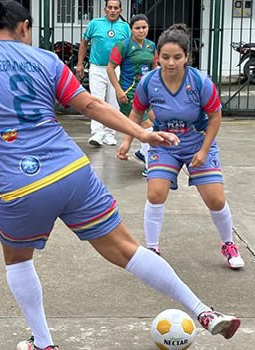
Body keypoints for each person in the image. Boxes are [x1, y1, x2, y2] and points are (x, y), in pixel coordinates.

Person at [0, 2, 241, 349]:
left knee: (17, 259)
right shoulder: (46, 59)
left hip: (22, 183)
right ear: (24, 27)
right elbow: (90, 104)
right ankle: (203, 310)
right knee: (128, 249)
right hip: (72, 170)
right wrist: (141, 132)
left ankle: (43, 341)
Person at [117, 24, 245, 269]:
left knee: (216, 200)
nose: (171, 62)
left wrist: (204, 151)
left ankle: (228, 244)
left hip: (197, 142)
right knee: (155, 193)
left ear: (187, 57)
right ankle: (152, 249)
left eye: (177, 57)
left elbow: (215, 116)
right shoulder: (149, 82)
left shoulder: (200, 81)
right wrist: (126, 141)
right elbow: (136, 112)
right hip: (164, 144)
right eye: (165, 57)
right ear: (158, 57)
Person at [106, 13, 157, 176]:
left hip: (146, 93)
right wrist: (118, 89)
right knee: (146, 125)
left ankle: (143, 152)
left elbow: (154, 68)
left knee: (156, 121)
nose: (141, 31)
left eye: (144, 27)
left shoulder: (151, 46)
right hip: (128, 93)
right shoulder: (123, 45)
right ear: (131, 29)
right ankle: (149, 165)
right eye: (137, 28)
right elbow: (110, 68)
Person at [76, 0, 131, 147]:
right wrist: (80, 64)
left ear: (120, 10)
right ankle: (97, 133)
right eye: (110, 8)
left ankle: (110, 134)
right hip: (97, 67)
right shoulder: (94, 23)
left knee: (113, 102)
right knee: (96, 100)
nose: (113, 10)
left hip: (115, 69)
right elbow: (84, 44)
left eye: (116, 8)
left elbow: (128, 49)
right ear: (105, 9)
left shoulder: (125, 27)